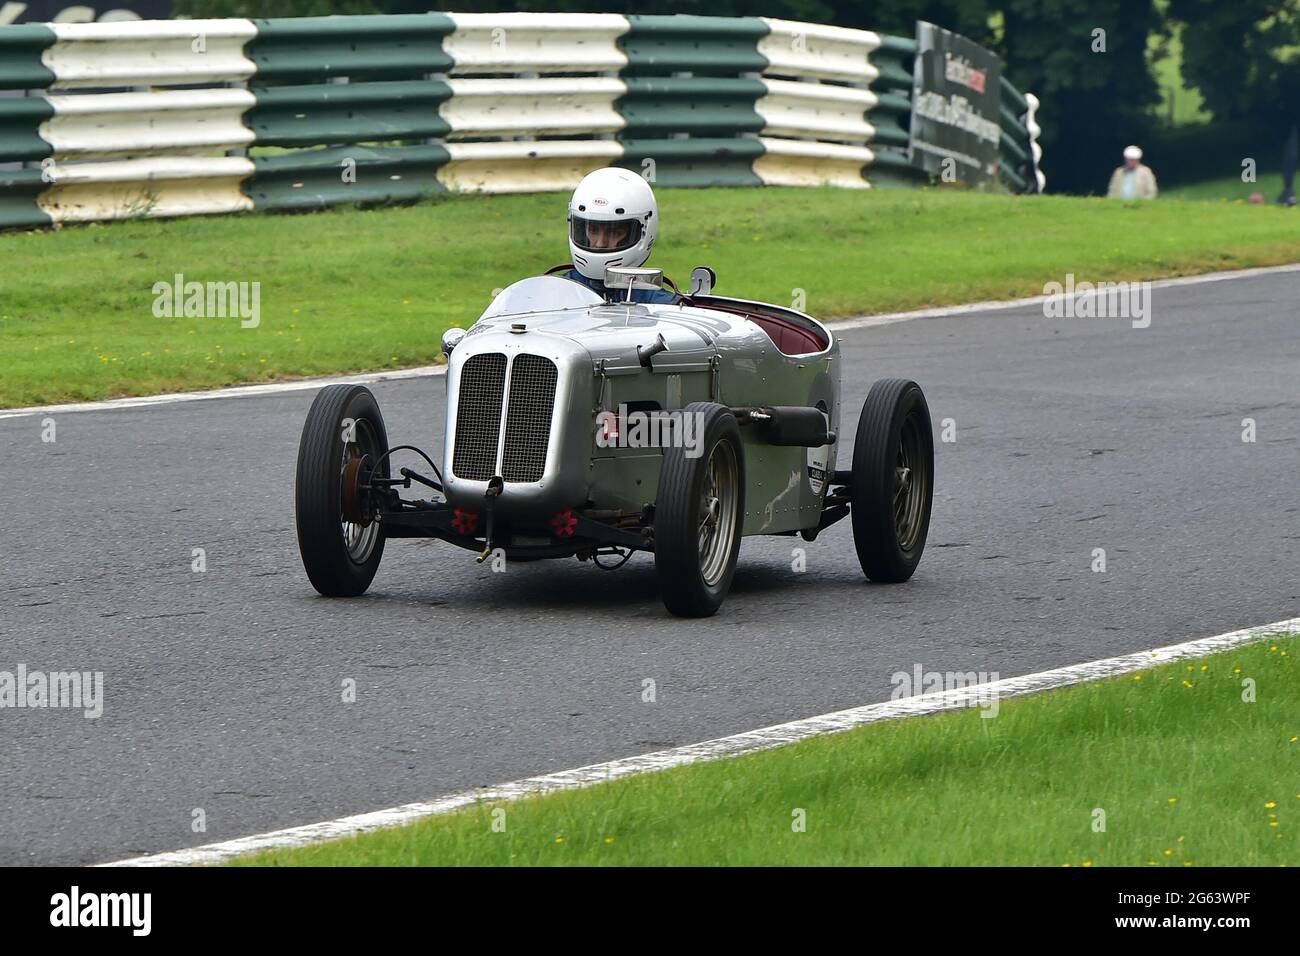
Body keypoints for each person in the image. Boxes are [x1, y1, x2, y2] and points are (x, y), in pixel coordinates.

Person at [562, 167, 679, 304]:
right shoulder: (557, 291)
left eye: (614, 233)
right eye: (593, 230)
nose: (600, 243)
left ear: (644, 231)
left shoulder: (660, 306)